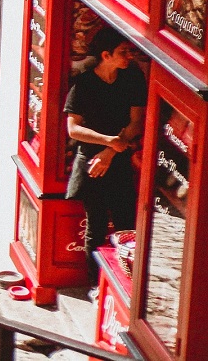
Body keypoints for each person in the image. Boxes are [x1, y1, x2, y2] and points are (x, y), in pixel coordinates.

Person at [64, 27, 146, 291]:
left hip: (117, 157)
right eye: (124, 52)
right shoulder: (85, 83)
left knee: (125, 225)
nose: (129, 57)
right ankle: (94, 286)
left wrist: (111, 150)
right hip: (91, 159)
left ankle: (123, 285)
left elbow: (136, 122)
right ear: (106, 55)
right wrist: (107, 142)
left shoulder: (132, 78)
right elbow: (73, 129)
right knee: (96, 226)